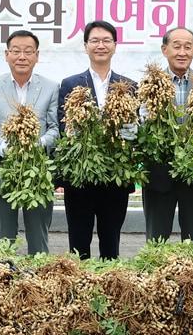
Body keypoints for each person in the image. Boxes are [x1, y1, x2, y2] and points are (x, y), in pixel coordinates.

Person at [58, 20, 137, 260]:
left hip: (115, 175)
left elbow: (137, 128)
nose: (100, 45)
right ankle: (79, 290)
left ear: (115, 46)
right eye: (94, 41)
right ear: (85, 46)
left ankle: (110, 288)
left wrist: (133, 132)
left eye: (106, 41)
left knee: (111, 241)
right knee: (78, 242)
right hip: (80, 176)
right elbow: (63, 124)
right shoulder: (71, 84)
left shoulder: (130, 86)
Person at [0, 30, 59, 253]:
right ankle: (4, 282)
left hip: (38, 174)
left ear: (37, 55)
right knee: (3, 242)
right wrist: (5, 148)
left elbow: (55, 128)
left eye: (28, 51)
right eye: (15, 51)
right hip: (1, 172)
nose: (21, 57)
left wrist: (38, 145)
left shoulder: (51, 87)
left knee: (39, 241)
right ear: (7, 55)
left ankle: (38, 285)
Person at [141, 27, 193, 243]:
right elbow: (141, 123)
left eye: (187, 47)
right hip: (159, 172)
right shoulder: (150, 83)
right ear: (164, 49)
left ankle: (192, 276)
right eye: (176, 46)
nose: (182, 52)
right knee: (156, 239)